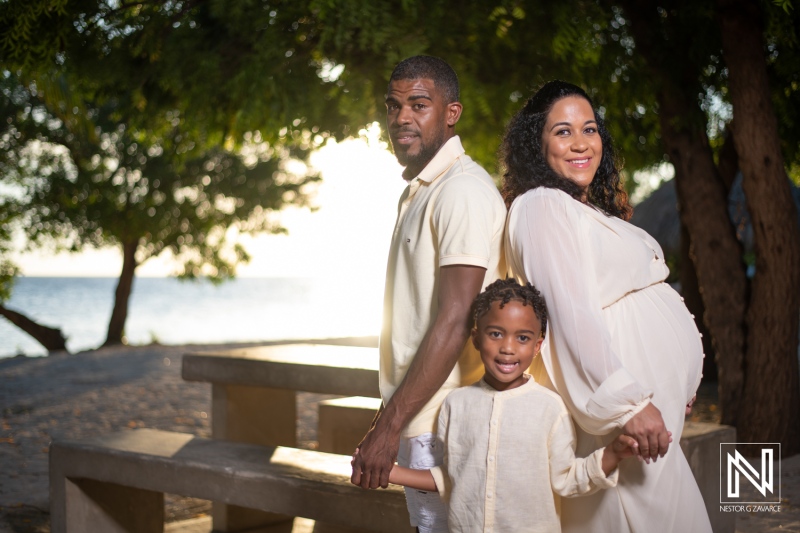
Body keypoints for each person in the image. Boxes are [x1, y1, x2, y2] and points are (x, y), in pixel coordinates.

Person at [501, 80, 712, 532]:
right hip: (619, 425)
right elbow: (568, 315)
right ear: (536, 143)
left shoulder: (584, 210)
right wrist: (628, 404)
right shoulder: (541, 205)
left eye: (590, 129)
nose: (581, 143)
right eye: (562, 131)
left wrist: (675, 378)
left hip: (647, 416)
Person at [350, 56, 507, 533]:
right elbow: (414, 325)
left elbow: (457, 319)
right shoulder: (420, 190)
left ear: (451, 112)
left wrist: (389, 426)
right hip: (418, 416)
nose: (402, 117)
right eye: (394, 106)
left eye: (419, 104)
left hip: (445, 423)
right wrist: (386, 417)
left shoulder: (461, 191)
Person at [365, 278, 644, 532]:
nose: (508, 347)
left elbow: (568, 478)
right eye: (496, 334)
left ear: (537, 346)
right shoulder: (455, 405)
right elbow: (455, 478)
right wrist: (394, 473)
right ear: (475, 338)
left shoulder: (550, 408)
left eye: (522, 338)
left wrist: (613, 454)